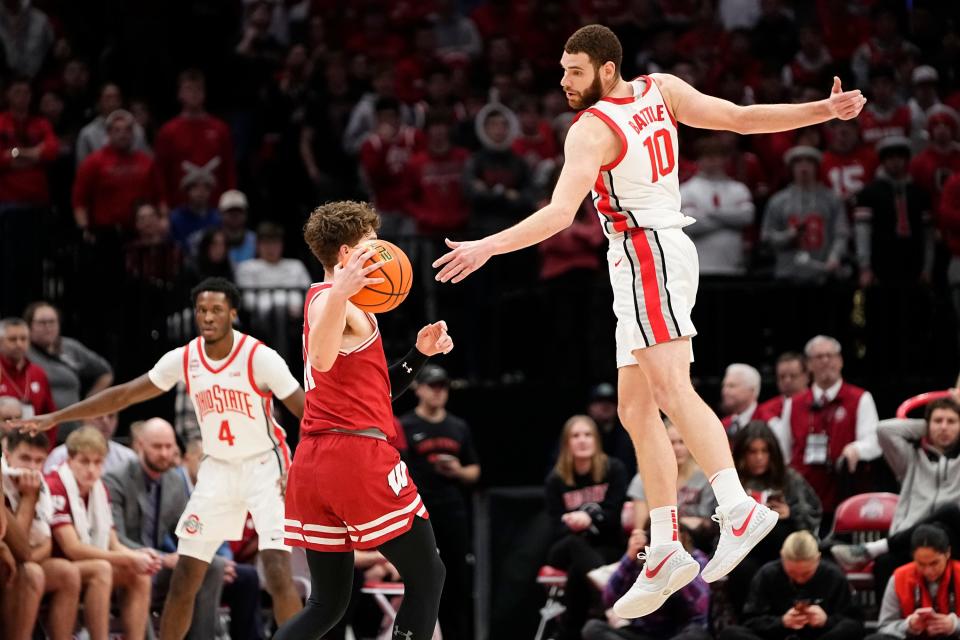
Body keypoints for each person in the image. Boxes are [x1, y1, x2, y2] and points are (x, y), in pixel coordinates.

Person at [433, 23, 865, 618]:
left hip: (645, 252)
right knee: (636, 408)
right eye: (562, 69)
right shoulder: (658, 88)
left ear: (606, 69)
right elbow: (740, 118)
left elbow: (561, 214)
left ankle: (736, 505)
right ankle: (664, 547)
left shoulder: (590, 129)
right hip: (651, 253)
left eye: (575, 70)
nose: (564, 80)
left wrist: (486, 247)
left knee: (670, 390)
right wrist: (824, 108)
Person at [10, 277, 306, 640]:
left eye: (216, 310)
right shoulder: (185, 358)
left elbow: (307, 412)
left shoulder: (259, 356)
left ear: (233, 313)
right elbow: (124, 395)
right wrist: (56, 417)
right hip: (216, 469)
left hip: (266, 466)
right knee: (185, 576)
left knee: (277, 571)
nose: (208, 317)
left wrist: (302, 467)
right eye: (201, 310)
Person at [275, 200, 453, 640]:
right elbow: (319, 355)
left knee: (327, 604)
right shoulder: (330, 303)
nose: (382, 252)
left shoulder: (346, 309)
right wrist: (339, 290)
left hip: (315, 461)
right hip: (356, 456)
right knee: (428, 575)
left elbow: (376, 394)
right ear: (345, 255)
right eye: (372, 245)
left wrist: (417, 356)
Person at [103, 418, 226, 640]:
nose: (164, 453)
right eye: (157, 447)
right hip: (129, 563)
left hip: (161, 567)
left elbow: (183, 529)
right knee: (144, 571)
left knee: (212, 565)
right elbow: (116, 537)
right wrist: (161, 557)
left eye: (169, 447)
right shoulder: (115, 479)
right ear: (140, 445)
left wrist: (193, 550)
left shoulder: (174, 480)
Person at [831, 397, 960, 599]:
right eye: (937, 421)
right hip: (910, 542)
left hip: (952, 541)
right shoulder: (911, 458)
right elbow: (884, 430)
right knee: (884, 564)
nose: (943, 427)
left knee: (951, 511)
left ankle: (876, 547)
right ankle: (890, 627)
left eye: (951, 421)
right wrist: (926, 427)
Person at [46, 427, 157, 640]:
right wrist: (126, 557)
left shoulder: (99, 488)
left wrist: (136, 556)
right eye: (84, 461)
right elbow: (72, 549)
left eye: (98, 462)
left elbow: (113, 542)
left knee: (139, 573)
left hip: (84, 563)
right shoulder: (55, 484)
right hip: (57, 562)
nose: (91, 469)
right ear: (69, 460)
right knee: (102, 568)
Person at [399, 364, 480, 640]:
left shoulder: (458, 426)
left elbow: (475, 470)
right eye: (432, 385)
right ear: (418, 388)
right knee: (425, 579)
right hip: (421, 513)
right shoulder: (405, 425)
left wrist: (458, 470)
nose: (438, 392)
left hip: (453, 511)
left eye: (442, 386)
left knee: (458, 581)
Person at [773, 335, 881, 524]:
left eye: (830, 356)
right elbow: (783, 453)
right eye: (819, 357)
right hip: (802, 497)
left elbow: (874, 442)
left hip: (844, 493)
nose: (825, 361)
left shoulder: (860, 398)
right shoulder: (794, 404)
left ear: (840, 361)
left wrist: (856, 449)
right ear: (809, 365)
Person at [722, 422, 823, 614]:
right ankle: (751, 621)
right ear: (742, 453)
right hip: (745, 549)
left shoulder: (789, 478)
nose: (759, 458)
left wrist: (790, 513)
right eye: (752, 452)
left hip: (782, 549)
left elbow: (813, 515)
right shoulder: (733, 481)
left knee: (778, 532)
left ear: (773, 453)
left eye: (764, 451)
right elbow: (716, 519)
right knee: (742, 568)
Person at [545, 414, 628, 640]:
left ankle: (567, 633)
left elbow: (614, 517)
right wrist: (572, 523)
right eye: (575, 436)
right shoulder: (556, 479)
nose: (582, 440)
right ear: (567, 443)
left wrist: (591, 519)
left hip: (606, 545)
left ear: (596, 440)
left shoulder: (614, 469)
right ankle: (612, 603)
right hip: (566, 547)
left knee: (578, 572)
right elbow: (554, 528)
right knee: (574, 543)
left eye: (588, 435)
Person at [2, 429, 81, 640]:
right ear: (7, 455)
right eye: (25, 458)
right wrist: (28, 499)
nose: (32, 467)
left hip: (23, 559)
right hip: (7, 561)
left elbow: (46, 545)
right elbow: (16, 546)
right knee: (31, 573)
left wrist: (25, 560)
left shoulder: (42, 487)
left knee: (67, 572)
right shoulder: (4, 483)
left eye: (39, 461)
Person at [719, 530, 863, 640]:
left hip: (820, 636)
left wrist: (826, 621)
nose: (799, 579)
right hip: (778, 636)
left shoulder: (833, 575)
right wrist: (781, 622)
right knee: (730, 633)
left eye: (806, 573)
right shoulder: (768, 574)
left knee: (851, 629)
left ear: (817, 559)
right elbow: (749, 620)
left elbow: (853, 621)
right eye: (792, 573)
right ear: (782, 557)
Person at [584, 524, 711, 640]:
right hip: (642, 632)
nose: (663, 539)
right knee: (593, 628)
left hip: (678, 632)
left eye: (668, 533)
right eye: (657, 535)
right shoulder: (641, 560)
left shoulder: (696, 558)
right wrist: (629, 556)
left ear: (682, 535)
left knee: (697, 634)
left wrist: (675, 562)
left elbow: (699, 607)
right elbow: (609, 599)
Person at [25, 301, 113, 441]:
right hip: (38, 431)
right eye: (42, 322)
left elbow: (105, 372)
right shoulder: (23, 352)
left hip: (73, 429)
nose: (48, 327)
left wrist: (90, 401)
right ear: (29, 325)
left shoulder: (71, 348)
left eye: (52, 322)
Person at [628, 421, 715, 552]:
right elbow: (641, 530)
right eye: (671, 442)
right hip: (656, 544)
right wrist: (684, 522)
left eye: (682, 442)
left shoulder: (705, 476)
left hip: (697, 545)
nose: (677, 448)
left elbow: (708, 522)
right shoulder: (643, 479)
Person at [868, 524, 960, 640]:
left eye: (934, 563)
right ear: (913, 558)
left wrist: (954, 625)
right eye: (921, 564)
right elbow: (884, 626)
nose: (928, 571)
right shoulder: (899, 577)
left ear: (948, 553)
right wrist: (909, 625)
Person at [0, 317, 56, 443]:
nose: (19, 344)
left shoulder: (38, 373)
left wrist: (47, 449)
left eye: (23, 339)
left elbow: (50, 413)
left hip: (32, 446)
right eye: (12, 339)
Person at [43, 412, 138, 476]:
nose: (105, 422)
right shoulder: (60, 454)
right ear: (83, 418)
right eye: (98, 416)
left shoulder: (129, 457)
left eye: (111, 416)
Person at [757, 352, 809, 427]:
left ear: (806, 376)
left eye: (793, 376)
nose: (787, 380)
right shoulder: (765, 410)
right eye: (782, 376)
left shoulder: (818, 405)